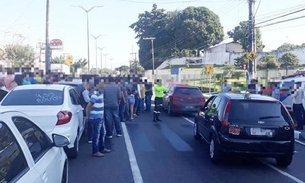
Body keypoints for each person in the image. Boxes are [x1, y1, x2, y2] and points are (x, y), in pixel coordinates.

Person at [85, 81, 111, 157]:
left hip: (100, 117)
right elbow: (88, 106)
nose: (103, 85)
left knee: (102, 133)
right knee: (96, 134)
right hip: (95, 118)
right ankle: (95, 151)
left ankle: (101, 148)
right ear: (97, 85)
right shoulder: (95, 95)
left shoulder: (101, 94)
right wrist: (88, 116)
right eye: (101, 83)